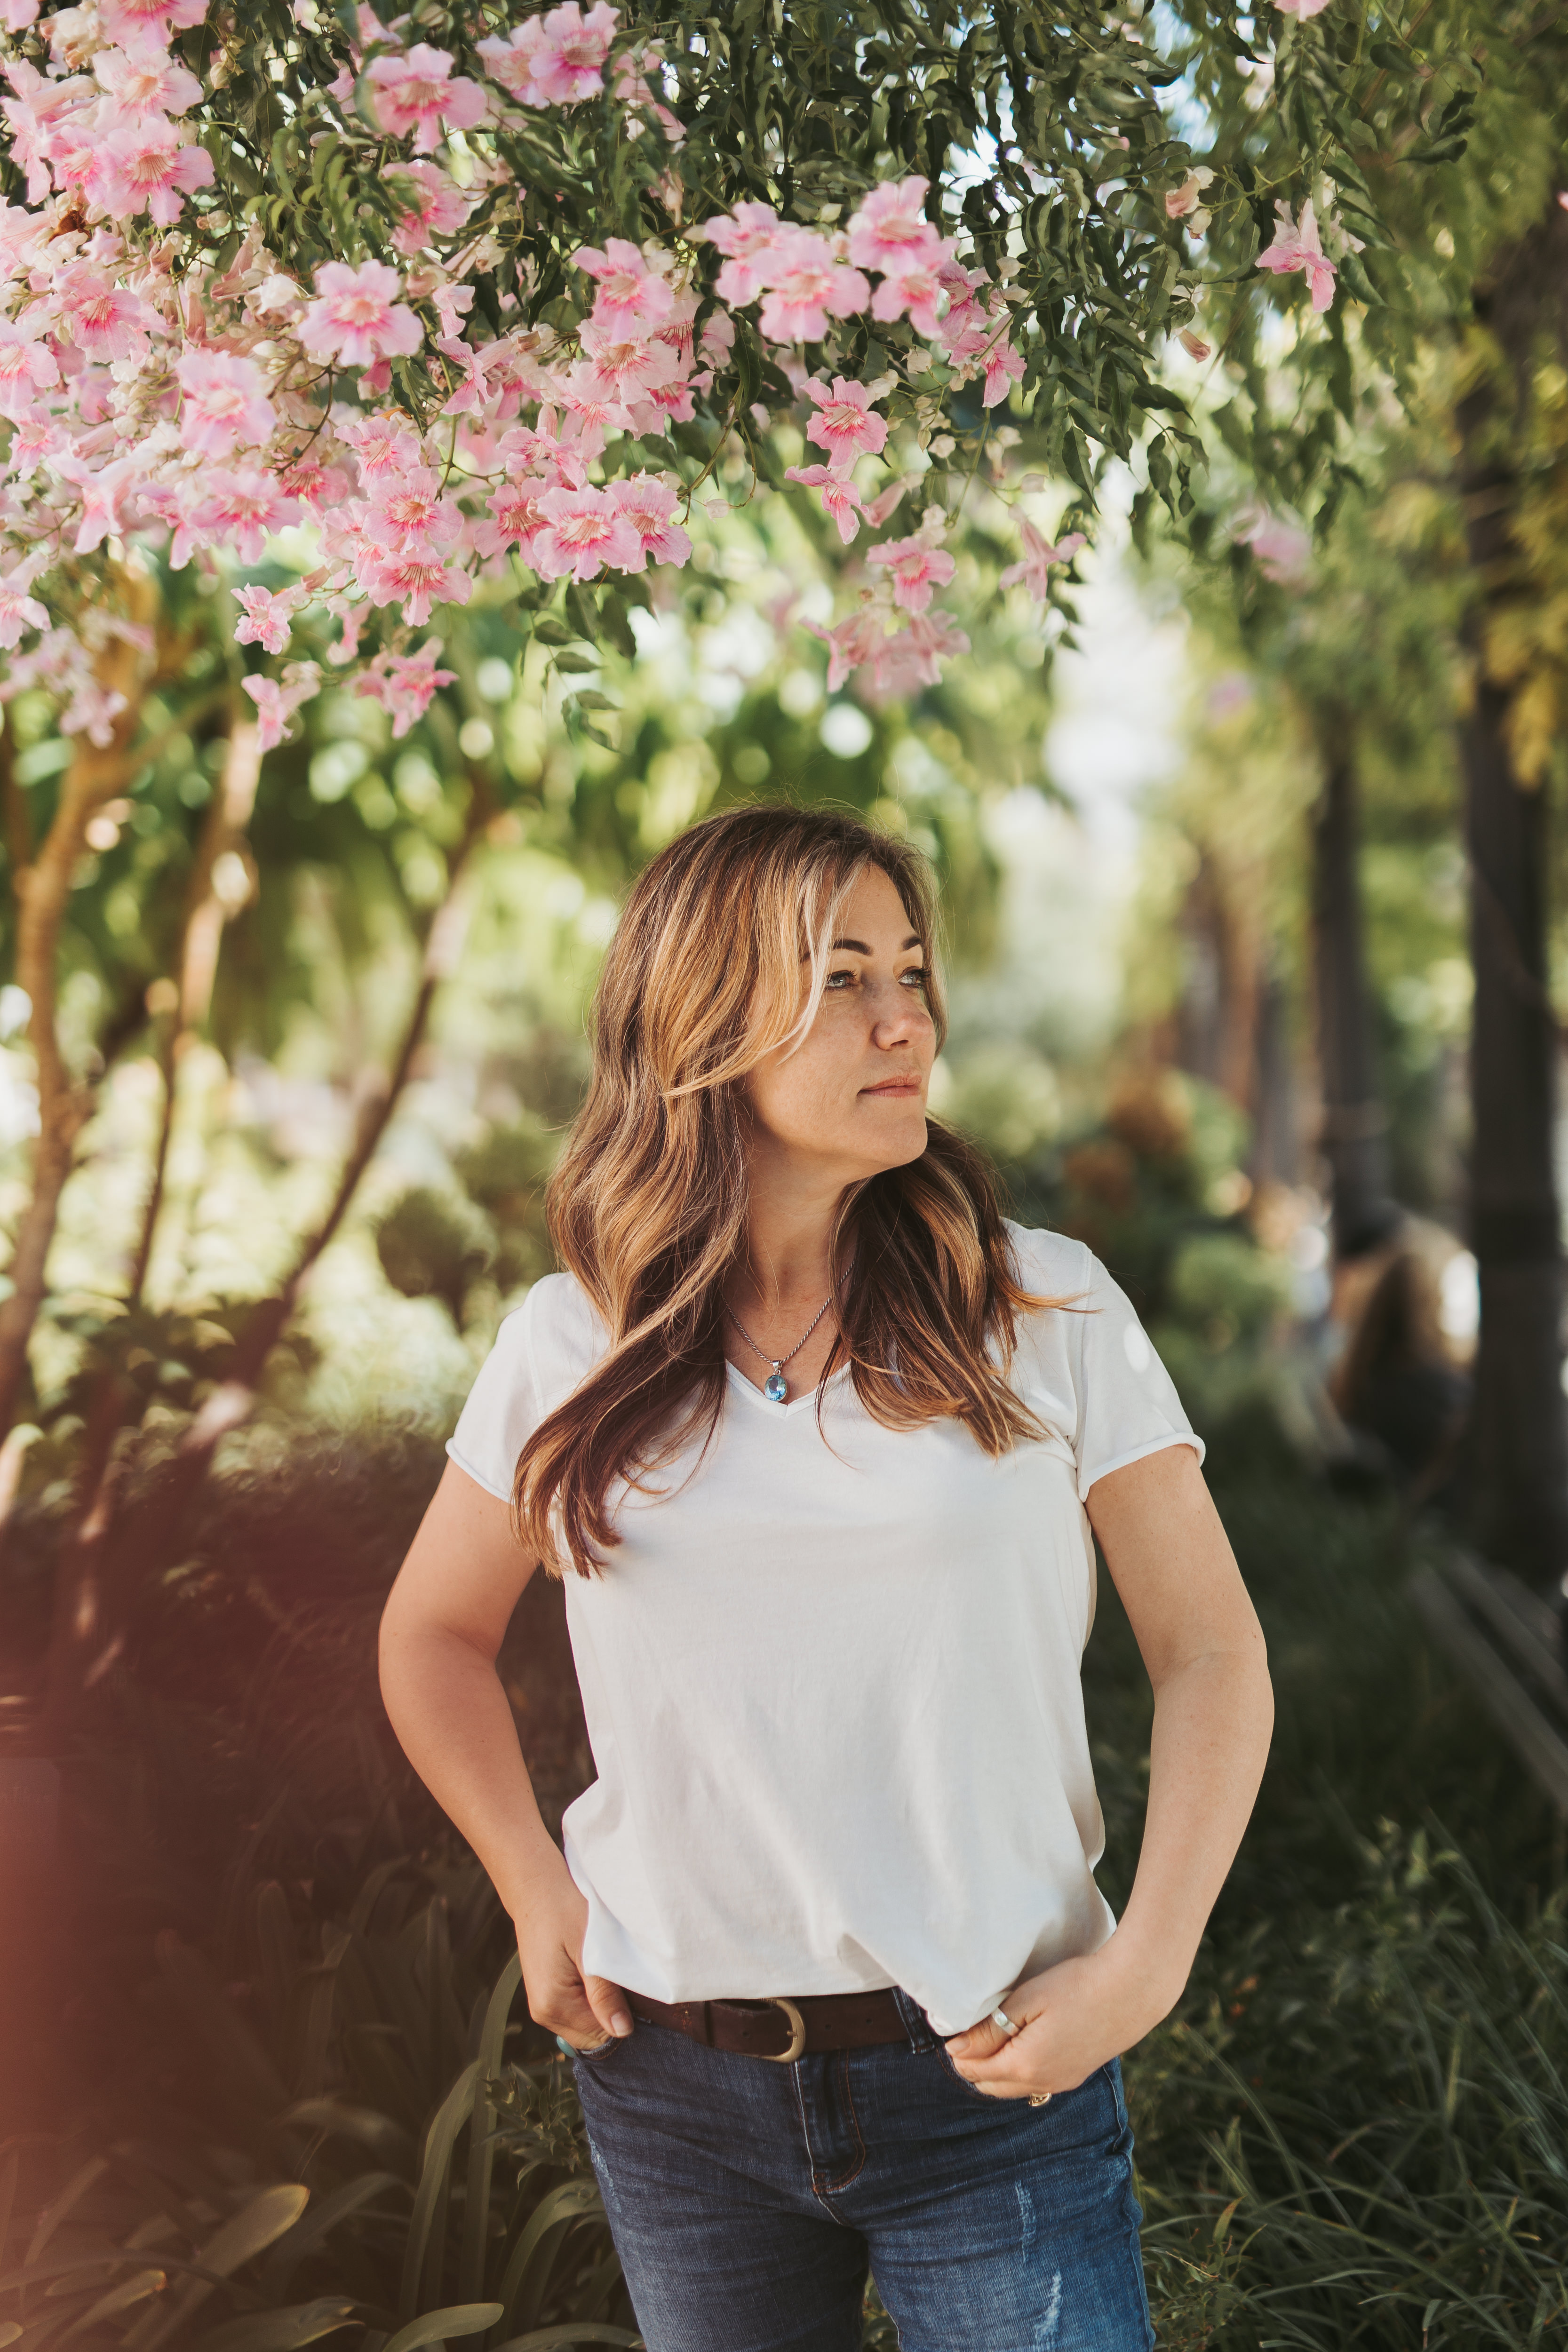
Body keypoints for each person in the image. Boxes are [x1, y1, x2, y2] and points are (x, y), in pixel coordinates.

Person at [379, 806, 1274, 2352]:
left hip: (996, 2078)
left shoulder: (1044, 1305)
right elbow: (432, 1637)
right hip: (674, 2094)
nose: (906, 1016)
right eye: (846, 976)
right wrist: (537, 1891)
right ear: (709, 1021)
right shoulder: (567, 1340)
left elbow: (1212, 1653)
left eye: (911, 971)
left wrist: (1147, 1966)